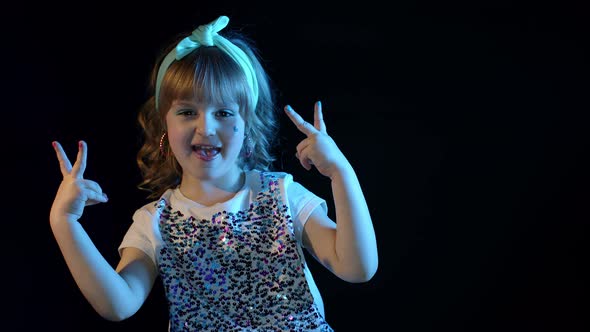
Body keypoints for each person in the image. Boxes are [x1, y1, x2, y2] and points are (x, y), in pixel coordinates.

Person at [49, 15, 378, 331]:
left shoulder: (281, 196)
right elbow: (118, 305)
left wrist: (340, 173)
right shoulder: (155, 221)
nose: (205, 127)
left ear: (247, 125)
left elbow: (356, 267)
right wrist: (65, 223)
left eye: (223, 112)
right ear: (164, 123)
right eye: (187, 111)